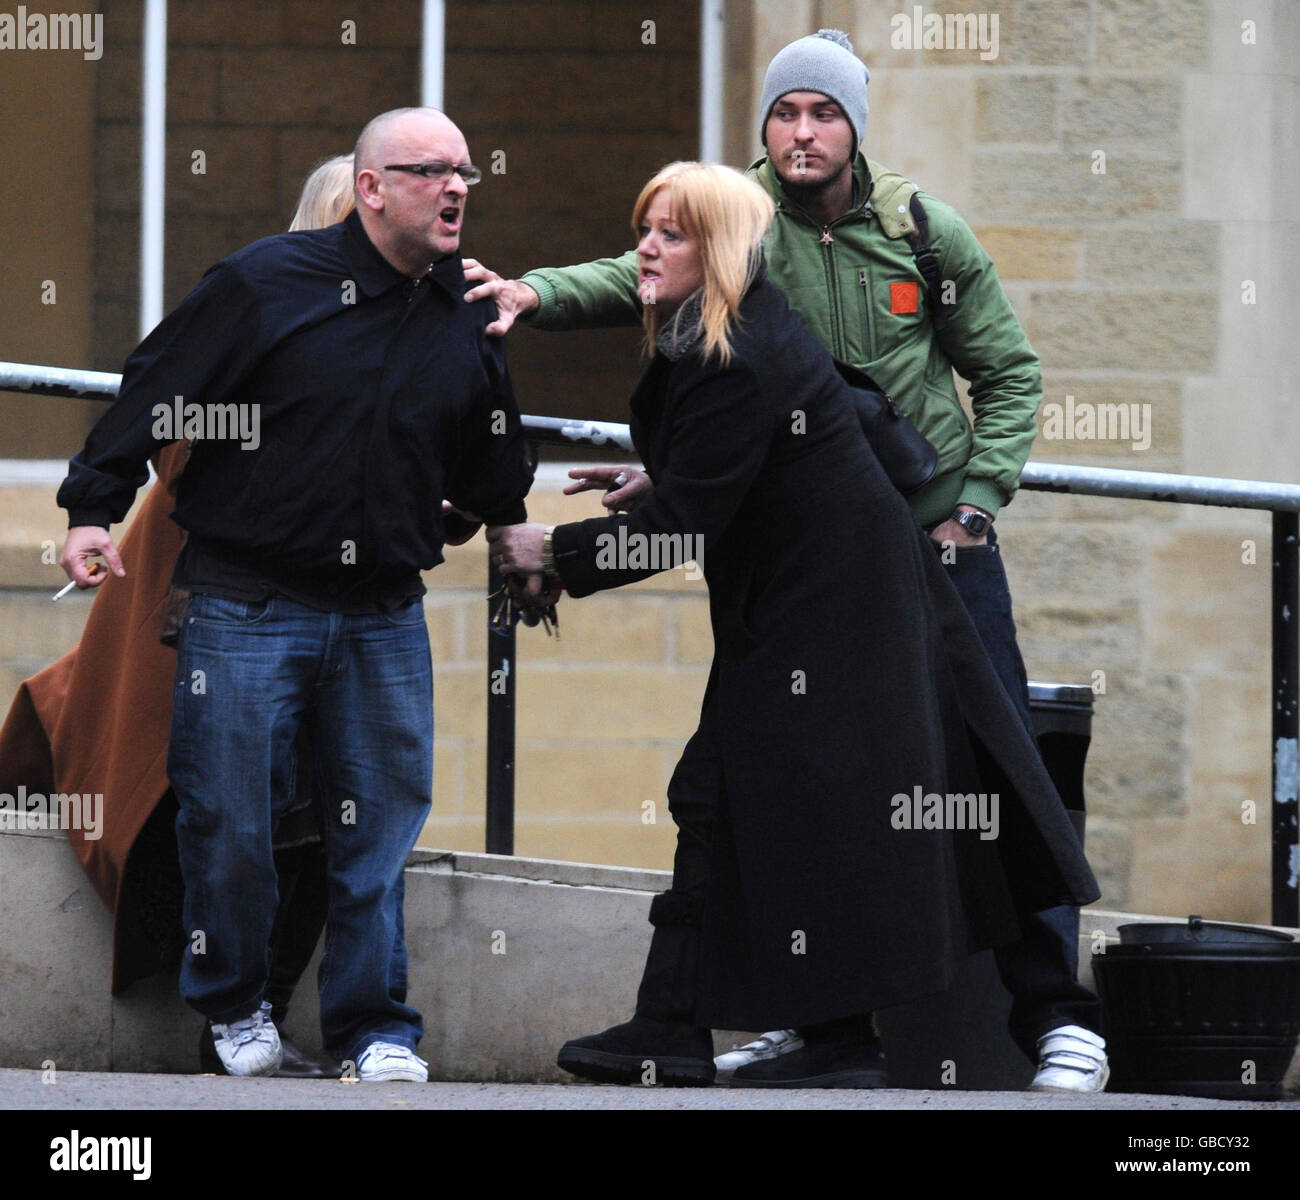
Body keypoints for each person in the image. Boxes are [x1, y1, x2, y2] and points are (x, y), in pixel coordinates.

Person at [467, 28, 1107, 1093]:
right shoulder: (734, 226)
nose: (800, 132)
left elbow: (1006, 374)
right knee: (802, 791)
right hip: (812, 560)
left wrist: (976, 508)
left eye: (822, 114)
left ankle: (1057, 1017)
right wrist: (533, 295)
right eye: (783, 113)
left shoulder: (919, 231)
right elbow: (643, 279)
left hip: (930, 543)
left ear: (854, 126)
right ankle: (826, 1025)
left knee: (987, 772)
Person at [54, 107, 534, 1081]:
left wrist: (504, 516)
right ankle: (236, 1012)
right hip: (247, 603)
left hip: (384, 612)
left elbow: (487, 452)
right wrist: (92, 506)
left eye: (464, 174)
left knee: (376, 830)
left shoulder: (462, 311)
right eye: (428, 171)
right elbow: (158, 392)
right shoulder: (264, 283)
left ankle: (375, 1030)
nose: (454, 190)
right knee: (230, 824)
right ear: (369, 187)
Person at [0, 153, 366, 1080]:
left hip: (326, 607)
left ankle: (261, 1020)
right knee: (251, 804)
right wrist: (91, 505)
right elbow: (166, 419)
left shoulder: (404, 319)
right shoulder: (266, 305)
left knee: (323, 811)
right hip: (223, 598)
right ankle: (245, 1021)